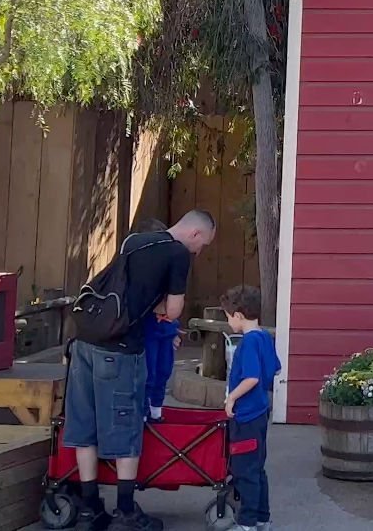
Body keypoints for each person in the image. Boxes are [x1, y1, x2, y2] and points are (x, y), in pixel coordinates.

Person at [64, 211, 215, 531]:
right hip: (119, 350)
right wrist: (159, 309)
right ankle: (126, 508)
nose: (199, 253)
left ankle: (90, 507)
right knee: (126, 425)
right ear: (195, 234)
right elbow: (173, 310)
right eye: (203, 245)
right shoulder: (177, 254)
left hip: (84, 342)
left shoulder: (134, 241)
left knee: (84, 424)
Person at [220, 284, 280, 531]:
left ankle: (246, 523)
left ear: (238, 315)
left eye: (228, 316)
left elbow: (252, 377)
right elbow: (275, 368)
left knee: (244, 471)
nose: (228, 321)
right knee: (257, 469)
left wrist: (231, 397)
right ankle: (262, 518)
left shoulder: (248, 343)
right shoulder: (265, 336)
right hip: (260, 413)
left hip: (246, 416)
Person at [131, 220, 181, 422]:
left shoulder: (169, 267)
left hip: (167, 328)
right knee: (147, 374)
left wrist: (175, 330)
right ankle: (143, 414)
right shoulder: (139, 269)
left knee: (163, 371)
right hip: (148, 328)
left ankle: (156, 412)